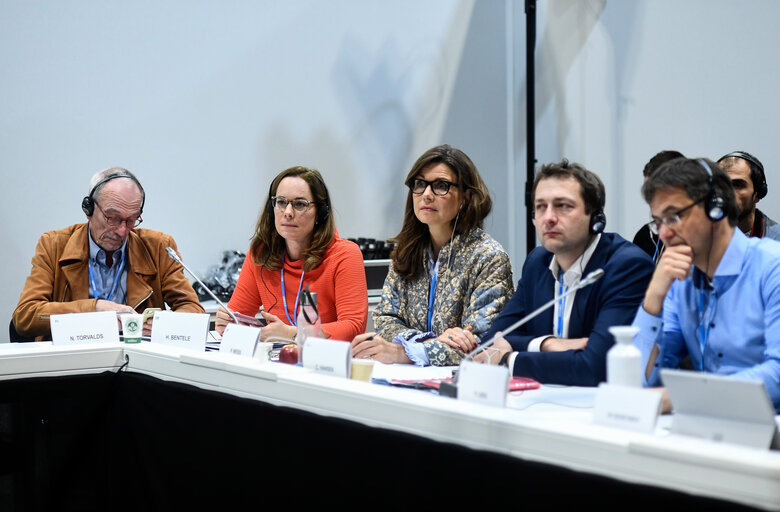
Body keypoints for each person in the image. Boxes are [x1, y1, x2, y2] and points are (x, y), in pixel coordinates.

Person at [476, 160, 654, 386]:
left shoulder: (627, 267)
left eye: (563, 206)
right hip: (541, 401)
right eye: (541, 206)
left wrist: (508, 359)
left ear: (597, 217)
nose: (548, 217)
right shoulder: (537, 262)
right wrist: (546, 344)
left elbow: (595, 367)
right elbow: (493, 340)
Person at [632, 157, 780, 412]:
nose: (664, 233)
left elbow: (777, 376)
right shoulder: (681, 282)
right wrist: (653, 299)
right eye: (659, 221)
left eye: (674, 216)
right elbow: (641, 379)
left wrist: (685, 398)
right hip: (707, 425)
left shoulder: (771, 267)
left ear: (716, 208)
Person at [351, 145, 513, 366]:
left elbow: (483, 343)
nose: (426, 195)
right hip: (405, 378)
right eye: (420, 184)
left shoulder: (488, 257)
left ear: (466, 197)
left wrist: (404, 352)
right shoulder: (406, 251)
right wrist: (428, 341)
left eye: (441, 186)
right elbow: (385, 320)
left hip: (459, 385)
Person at [13, 167, 204, 340]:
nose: (122, 231)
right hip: (75, 362)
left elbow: (194, 310)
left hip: (138, 363)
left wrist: (165, 323)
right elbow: (25, 316)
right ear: (88, 209)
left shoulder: (159, 248)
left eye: (131, 220)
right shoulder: (54, 245)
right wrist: (94, 309)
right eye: (112, 218)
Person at [215, 166, 367, 341]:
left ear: (320, 213)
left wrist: (294, 334)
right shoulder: (261, 254)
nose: (287, 212)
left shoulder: (344, 255)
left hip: (327, 362)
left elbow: (353, 326)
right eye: (281, 202)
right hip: (276, 360)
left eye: (300, 204)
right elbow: (238, 315)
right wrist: (228, 323)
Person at [632, 150, 685, 262]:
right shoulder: (645, 236)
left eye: (654, 193)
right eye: (647, 194)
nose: (650, 201)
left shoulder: (702, 237)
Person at [717, 150, 780, 241]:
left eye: (738, 185)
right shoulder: (698, 234)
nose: (728, 192)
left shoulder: (776, 242)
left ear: (757, 194)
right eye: (721, 184)